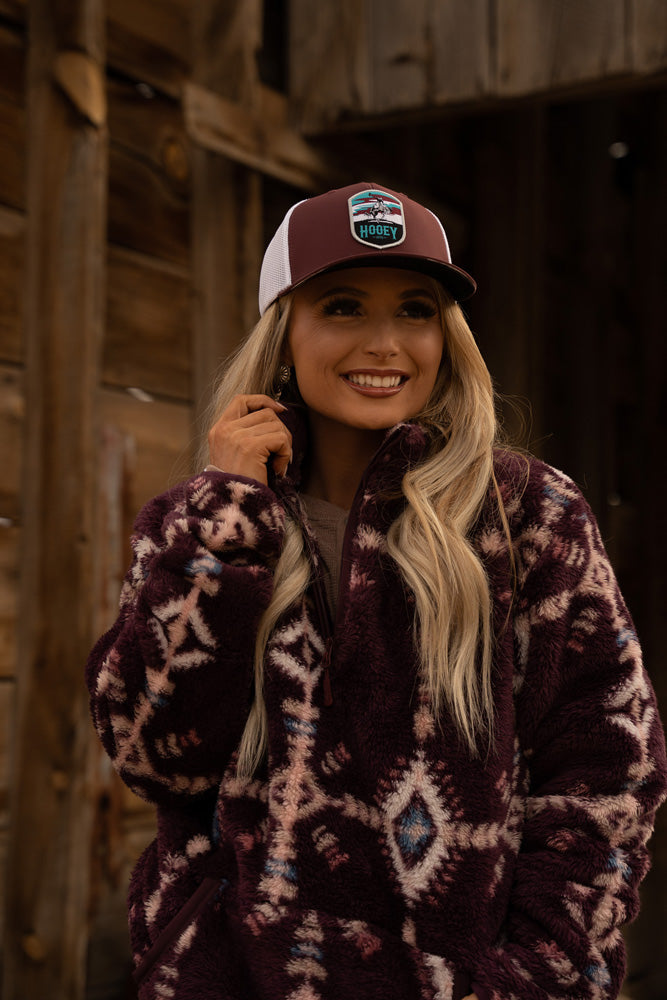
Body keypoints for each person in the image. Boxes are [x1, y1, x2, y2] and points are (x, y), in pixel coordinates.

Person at [86, 182, 667, 1000]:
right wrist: (227, 521)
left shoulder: (528, 515)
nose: (386, 342)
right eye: (345, 306)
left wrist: (535, 977)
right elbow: (153, 754)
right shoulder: (198, 521)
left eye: (417, 310)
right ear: (284, 331)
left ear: (446, 335)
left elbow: (607, 771)